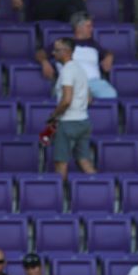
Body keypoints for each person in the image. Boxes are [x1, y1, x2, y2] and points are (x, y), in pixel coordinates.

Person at [47, 37, 97, 180]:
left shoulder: (67, 71)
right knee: (84, 161)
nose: (53, 53)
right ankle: (101, 191)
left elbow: (66, 100)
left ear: (67, 51)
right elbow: (89, 98)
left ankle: (59, 198)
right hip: (83, 121)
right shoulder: (80, 69)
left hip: (68, 123)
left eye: (57, 50)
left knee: (61, 165)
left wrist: (54, 115)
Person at [36, 13, 116, 101]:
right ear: (78, 28)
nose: (92, 29)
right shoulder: (63, 43)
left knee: (110, 96)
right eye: (88, 26)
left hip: (94, 82)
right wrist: (44, 62)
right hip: (70, 83)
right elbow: (40, 53)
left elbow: (107, 52)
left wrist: (109, 56)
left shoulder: (94, 44)